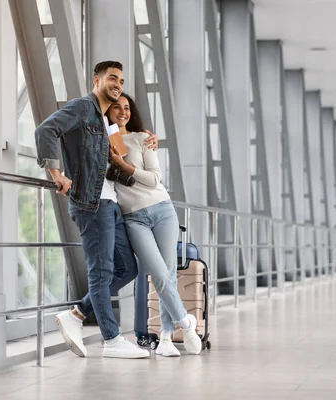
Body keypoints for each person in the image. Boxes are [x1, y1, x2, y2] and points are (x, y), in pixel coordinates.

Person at [34, 61, 157, 359]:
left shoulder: (105, 121)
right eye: (112, 78)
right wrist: (56, 174)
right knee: (100, 272)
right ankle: (111, 340)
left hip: (111, 202)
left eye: (122, 80)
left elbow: (120, 161)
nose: (118, 84)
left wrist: (148, 137)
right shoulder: (82, 108)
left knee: (128, 267)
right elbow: (45, 130)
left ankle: (76, 314)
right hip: (91, 203)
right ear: (97, 80)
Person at [106, 93, 203, 356]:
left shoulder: (142, 138)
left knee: (168, 274)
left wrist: (123, 165)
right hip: (133, 217)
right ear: (107, 110)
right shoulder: (101, 142)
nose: (123, 112)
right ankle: (186, 322)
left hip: (162, 210)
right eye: (117, 107)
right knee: (158, 274)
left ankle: (166, 339)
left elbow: (154, 180)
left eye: (127, 108)